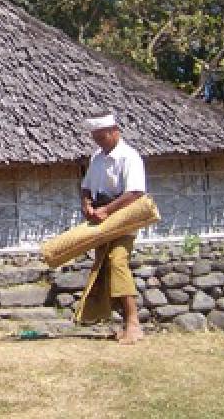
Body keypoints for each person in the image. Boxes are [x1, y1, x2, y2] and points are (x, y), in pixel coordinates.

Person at [75, 113, 147, 345]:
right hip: (101, 219)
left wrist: (108, 209)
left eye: (103, 137)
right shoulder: (97, 158)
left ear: (115, 132)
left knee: (117, 260)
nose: (100, 141)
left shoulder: (129, 157)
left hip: (124, 216)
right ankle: (123, 322)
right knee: (105, 267)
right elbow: (86, 187)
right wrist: (87, 203)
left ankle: (134, 323)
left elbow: (135, 192)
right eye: (96, 138)